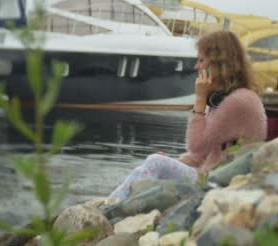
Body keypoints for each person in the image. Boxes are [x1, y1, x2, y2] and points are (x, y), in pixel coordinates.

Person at [108, 31, 267, 200]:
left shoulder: (240, 101)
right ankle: (110, 206)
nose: (196, 67)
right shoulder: (221, 99)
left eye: (201, 61)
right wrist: (174, 161)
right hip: (211, 176)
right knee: (149, 165)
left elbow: (196, 145)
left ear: (219, 64)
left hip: (219, 182)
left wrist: (199, 100)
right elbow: (199, 155)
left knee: (155, 162)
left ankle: (116, 209)